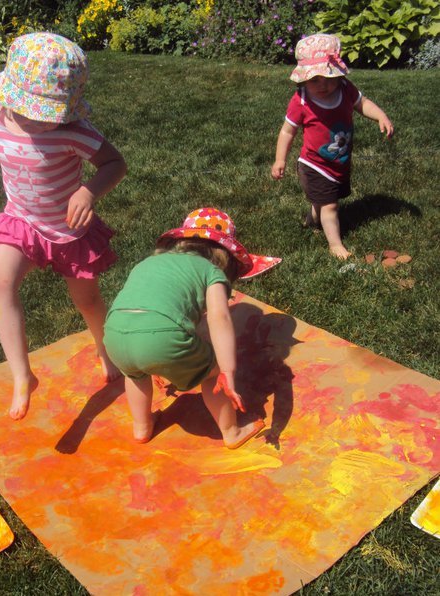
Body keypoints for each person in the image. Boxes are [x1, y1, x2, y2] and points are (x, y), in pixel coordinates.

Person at [0, 33, 127, 420]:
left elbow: (115, 164)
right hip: (22, 221)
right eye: (40, 113)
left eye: (55, 114)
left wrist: (87, 192)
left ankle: (105, 349)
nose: (48, 121)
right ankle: (22, 374)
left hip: (68, 231)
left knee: (87, 301)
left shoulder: (73, 130)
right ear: (12, 100)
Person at [103, 207, 266, 449]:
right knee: (213, 373)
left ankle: (142, 427)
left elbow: (148, 307)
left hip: (115, 333)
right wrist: (227, 371)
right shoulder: (211, 272)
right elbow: (219, 318)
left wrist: (152, 354)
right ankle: (232, 431)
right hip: (161, 337)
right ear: (226, 257)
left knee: (135, 374)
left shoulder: (151, 262)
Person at [271, 33, 394, 259]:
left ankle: (313, 218)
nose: (323, 84)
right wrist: (280, 159)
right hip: (314, 164)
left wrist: (380, 116)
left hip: (339, 162)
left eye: (328, 77)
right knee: (330, 206)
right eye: (314, 79)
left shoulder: (345, 89)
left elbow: (362, 103)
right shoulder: (301, 101)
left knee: (324, 206)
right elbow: (287, 131)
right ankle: (335, 244)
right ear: (303, 78)